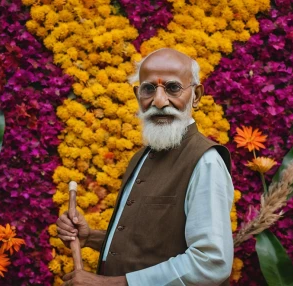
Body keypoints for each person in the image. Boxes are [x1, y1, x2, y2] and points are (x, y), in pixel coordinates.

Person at [57, 48, 234, 286]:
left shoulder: (205, 161)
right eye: (149, 89)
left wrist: (110, 284)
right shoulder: (142, 156)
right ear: (137, 94)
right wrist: (91, 237)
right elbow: (149, 246)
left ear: (197, 95)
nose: (159, 101)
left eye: (172, 88)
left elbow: (211, 262)